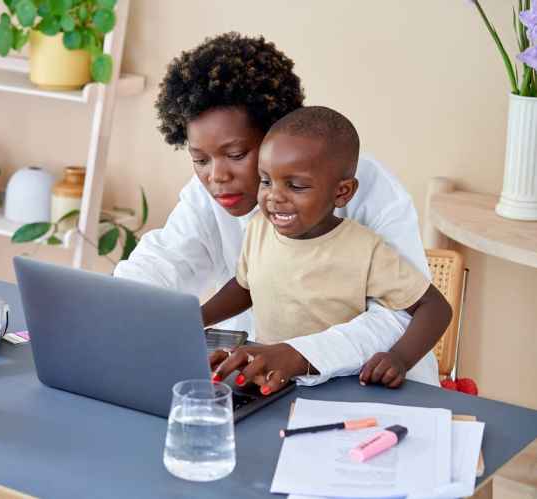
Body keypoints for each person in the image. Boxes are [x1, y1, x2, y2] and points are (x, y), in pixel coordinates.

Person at [113, 32, 441, 389]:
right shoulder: (216, 194)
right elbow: (166, 260)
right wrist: (115, 310)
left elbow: (400, 316)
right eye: (200, 159)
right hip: (265, 377)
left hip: (371, 386)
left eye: (237, 155)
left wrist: (299, 354)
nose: (217, 175)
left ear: (275, 137)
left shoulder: (374, 195)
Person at [202, 106, 452, 392]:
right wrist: (196, 318)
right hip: (273, 381)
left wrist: (399, 358)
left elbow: (435, 307)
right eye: (266, 180)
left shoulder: (364, 249)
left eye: (295, 186)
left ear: (342, 192)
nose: (273, 197)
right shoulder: (259, 228)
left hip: (340, 385)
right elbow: (245, 286)